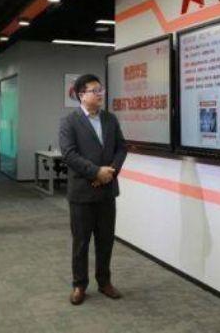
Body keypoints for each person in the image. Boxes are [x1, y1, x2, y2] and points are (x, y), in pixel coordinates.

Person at [59, 74, 127, 306]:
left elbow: (121, 148)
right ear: (81, 95)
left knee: (105, 240)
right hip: (82, 193)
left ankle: (104, 281)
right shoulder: (70, 121)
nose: (100, 94)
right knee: (81, 242)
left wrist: (110, 173)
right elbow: (69, 154)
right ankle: (79, 285)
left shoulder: (110, 118)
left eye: (101, 90)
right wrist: (96, 172)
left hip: (107, 192)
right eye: (94, 90)